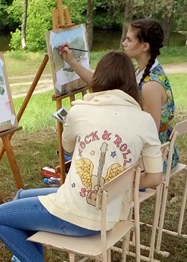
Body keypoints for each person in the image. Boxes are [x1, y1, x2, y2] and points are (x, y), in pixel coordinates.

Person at [0, 51, 163, 262]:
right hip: (108, 215)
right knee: (21, 195)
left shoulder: (81, 109)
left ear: (99, 77)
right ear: (130, 82)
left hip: (77, 215)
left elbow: (68, 147)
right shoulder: (144, 120)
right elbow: (154, 178)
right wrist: (121, 182)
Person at [61, 19, 178, 166]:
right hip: (142, 148)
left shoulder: (151, 86)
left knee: (90, 154)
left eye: (129, 40)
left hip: (157, 157)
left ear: (144, 46)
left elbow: (151, 135)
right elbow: (101, 83)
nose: (124, 43)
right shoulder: (139, 71)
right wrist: (72, 62)